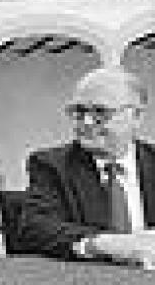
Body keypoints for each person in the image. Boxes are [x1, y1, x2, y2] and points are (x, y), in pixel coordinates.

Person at [20, 66, 155, 265]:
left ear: (136, 116)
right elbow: (36, 229)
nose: (87, 122)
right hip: (90, 279)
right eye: (79, 111)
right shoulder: (51, 165)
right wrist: (101, 244)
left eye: (100, 112)